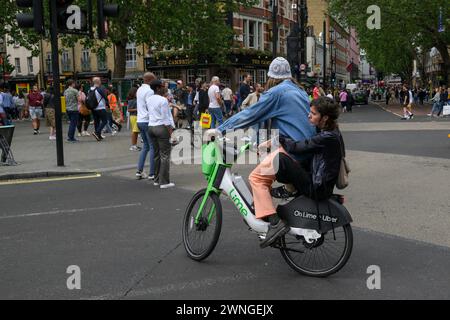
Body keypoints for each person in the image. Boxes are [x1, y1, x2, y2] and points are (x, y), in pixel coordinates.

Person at [215, 57, 316, 248]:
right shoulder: (300, 91)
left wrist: (220, 129)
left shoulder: (276, 93)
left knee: (256, 179)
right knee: (265, 167)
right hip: (305, 149)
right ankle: (286, 191)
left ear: (271, 76)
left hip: (292, 153)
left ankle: (275, 223)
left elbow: (250, 114)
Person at [267, 97, 343, 238]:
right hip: (321, 183)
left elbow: (297, 147)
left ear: (325, 118)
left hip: (316, 187)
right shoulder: (333, 132)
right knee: (292, 161)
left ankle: (289, 188)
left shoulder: (327, 137)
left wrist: (279, 137)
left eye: (313, 114)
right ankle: (290, 188)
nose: (309, 115)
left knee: (280, 160)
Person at [147, 79, 175, 189]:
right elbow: (165, 119)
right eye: (163, 86)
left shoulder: (149, 99)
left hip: (151, 127)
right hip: (161, 128)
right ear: (158, 88)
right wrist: (171, 133)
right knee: (165, 155)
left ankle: (156, 179)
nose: (164, 87)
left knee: (156, 154)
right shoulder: (163, 100)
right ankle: (164, 182)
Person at [136, 72, 156, 180]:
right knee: (152, 146)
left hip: (139, 120)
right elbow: (150, 106)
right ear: (150, 80)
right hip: (147, 121)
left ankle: (139, 170)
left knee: (145, 147)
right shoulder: (150, 91)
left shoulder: (139, 89)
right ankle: (152, 173)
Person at [127, 87, 141, 152]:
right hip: (134, 116)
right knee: (135, 132)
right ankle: (133, 146)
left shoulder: (135, 99)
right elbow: (129, 110)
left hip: (135, 116)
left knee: (136, 132)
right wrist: (137, 109)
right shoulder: (132, 101)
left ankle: (134, 145)